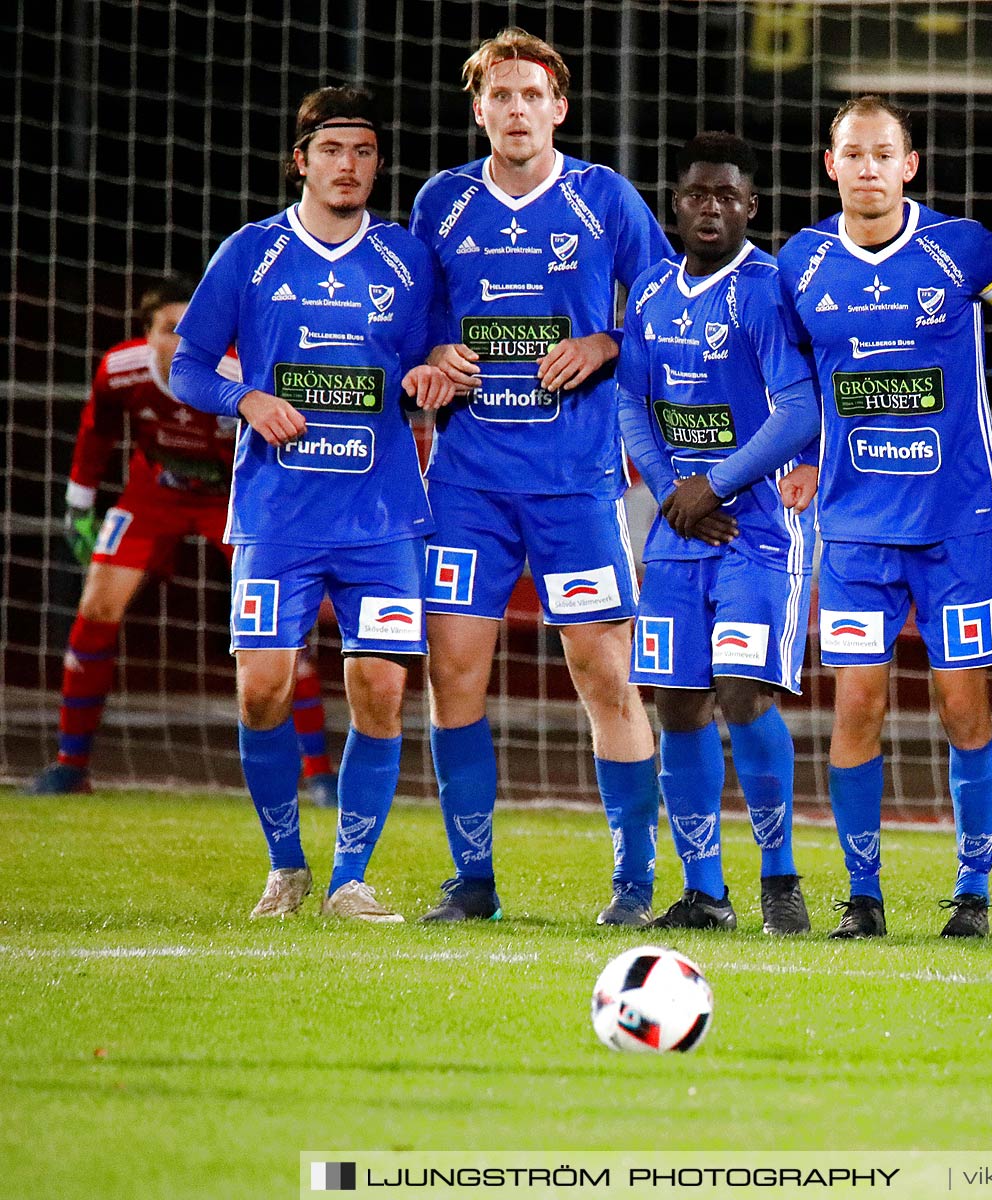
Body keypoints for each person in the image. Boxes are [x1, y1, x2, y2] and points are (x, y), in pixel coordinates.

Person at [408, 29, 676, 925]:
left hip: (576, 482)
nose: (516, 108)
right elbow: (411, 326)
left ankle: (634, 881)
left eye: (531, 94)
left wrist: (606, 341)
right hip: (467, 485)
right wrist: (431, 355)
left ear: (558, 107)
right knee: (454, 676)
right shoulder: (440, 204)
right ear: (477, 108)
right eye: (500, 95)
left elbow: (673, 313)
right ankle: (471, 880)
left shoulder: (606, 199)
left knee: (603, 672)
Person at [170, 87, 453, 921]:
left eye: (364, 153)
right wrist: (245, 401)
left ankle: (349, 881)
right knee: (261, 690)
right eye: (333, 151)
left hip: (382, 519)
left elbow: (430, 355)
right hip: (277, 517)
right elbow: (189, 365)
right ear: (302, 159)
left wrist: (429, 373)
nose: (350, 166)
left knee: (380, 692)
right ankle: (286, 868)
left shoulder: (405, 259)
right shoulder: (252, 252)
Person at [777, 95, 992, 939]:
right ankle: (864, 894)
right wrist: (798, 453)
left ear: (909, 165)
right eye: (854, 153)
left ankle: (972, 889)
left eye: (885, 153)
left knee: (964, 709)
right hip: (852, 531)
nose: (870, 168)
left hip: (954, 524)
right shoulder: (801, 266)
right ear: (831, 164)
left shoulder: (963, 249)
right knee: (856, 709)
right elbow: (787, 378)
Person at [615, 132, 822, 934]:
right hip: (676, 531)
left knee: (740, 693)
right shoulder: (654, 292)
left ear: (751, 206)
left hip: (758, 529)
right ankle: (706, 891)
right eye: (698, 194)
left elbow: (800, 409)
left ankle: (779, 880)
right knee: (676, 701)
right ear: (676, 202)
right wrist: (672, 490)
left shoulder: (769, 288)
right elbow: (632, 401)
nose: (712, 207)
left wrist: (714, 483)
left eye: (728, 196)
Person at [27, 278, 339, 806]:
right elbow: (96, 428)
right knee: (97, 610)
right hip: (153, 495)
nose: (185, 340)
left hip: (234, 501)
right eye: (171, 329)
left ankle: (319, 775)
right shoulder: (121, 370)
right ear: (145, 335)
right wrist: (78, 505)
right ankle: (70, 766)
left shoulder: (240, 376)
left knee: (281, 625)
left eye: (195, 327)